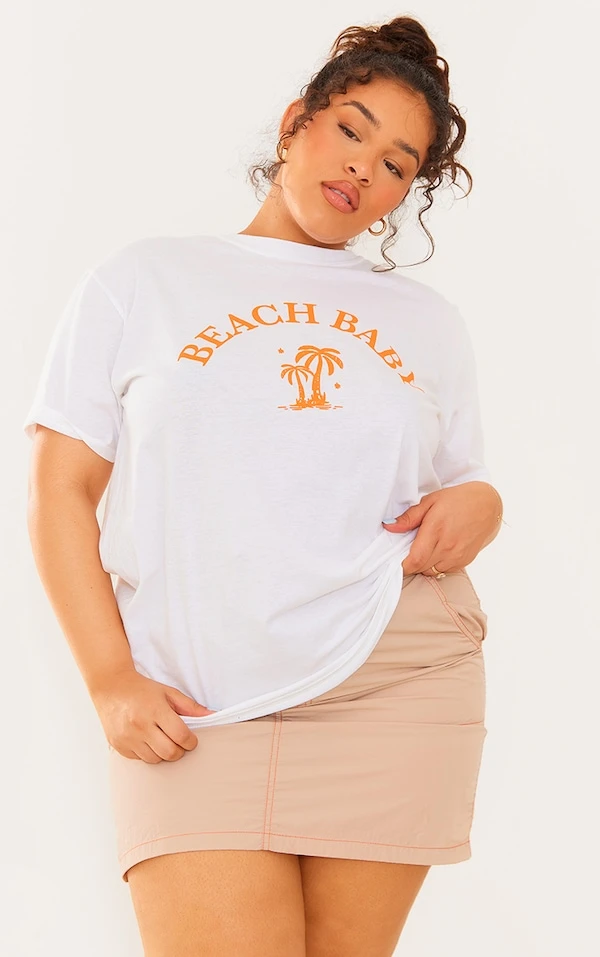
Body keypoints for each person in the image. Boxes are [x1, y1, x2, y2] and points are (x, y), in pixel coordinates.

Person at [23, 14, 504, 957]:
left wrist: (483, 506)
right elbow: (59, 491)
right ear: (295, 124)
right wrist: (109, 678)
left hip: (393, 678)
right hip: (200, 699)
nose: (365, 167)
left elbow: (466, 482)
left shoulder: (427, 321)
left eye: (397, 164)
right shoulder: (145, 279)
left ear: (405, 194)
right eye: (352, 129)